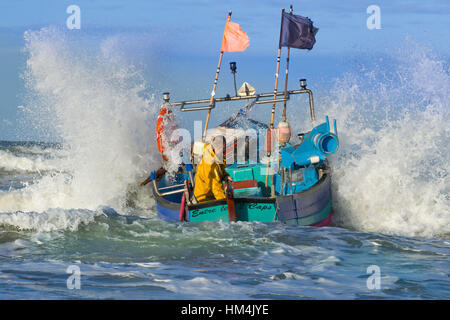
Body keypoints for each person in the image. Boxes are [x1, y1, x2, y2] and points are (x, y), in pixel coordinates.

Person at [140, 104, 180, 187]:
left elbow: (158, 173)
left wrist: (145, 182)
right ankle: (166, 111)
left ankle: (166, 111)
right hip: (171, 150)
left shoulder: (168, 165)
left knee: (164, 133)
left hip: (168, 150)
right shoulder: (169, 165)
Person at [193, 136, 232, 202]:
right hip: (205, 198)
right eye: (223, 149)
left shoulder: (210, 150)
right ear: (218, 147)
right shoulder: (211, 164)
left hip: (212, 194)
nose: (224, 151)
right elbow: (216, 188)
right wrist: (225, 202)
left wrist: (225, 175)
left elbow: (220, 169)